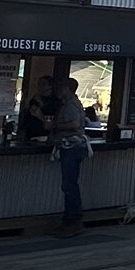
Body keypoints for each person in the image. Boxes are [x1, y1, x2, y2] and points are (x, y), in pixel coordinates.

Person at [48, 76, 89, 236]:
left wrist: (55, 125)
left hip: (71, 147)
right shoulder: (72, 103)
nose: (58, 90)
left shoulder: (71, 105)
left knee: (69, 185)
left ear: (68, 89)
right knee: (69, 184)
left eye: (61, 87)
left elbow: (75, 124)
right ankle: (70, 220)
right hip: (74, 147)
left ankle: (73, 220)